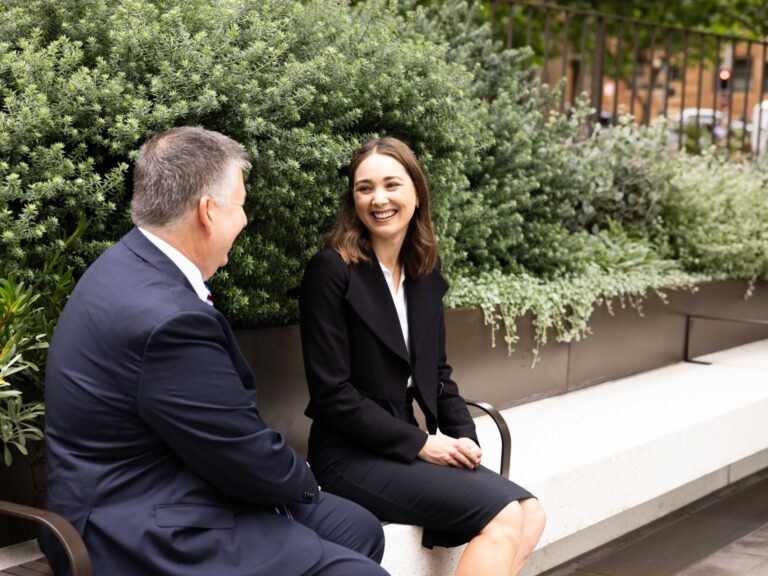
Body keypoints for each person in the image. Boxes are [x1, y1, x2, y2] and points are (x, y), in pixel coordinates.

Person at [40, 127, 388, 576]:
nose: (244, 219)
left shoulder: (126, 263)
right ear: (208, 211)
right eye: (241, 204)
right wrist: (303, 478)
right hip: (136, 530)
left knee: (359, 529)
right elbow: (242, 454)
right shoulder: (166, 320)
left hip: (160, 481)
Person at [299, 136, 546, 576]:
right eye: (364, 188)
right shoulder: (331, 270)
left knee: (531, 514)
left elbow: (438, 374)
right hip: (349, 455)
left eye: (391, 185)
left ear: (416, 191)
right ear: (352, 198)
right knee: (507, 515)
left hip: (405, 448)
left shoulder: (423, 271)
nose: (379, 199)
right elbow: (331, 394)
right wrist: (422, 444)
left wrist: (464, 436)